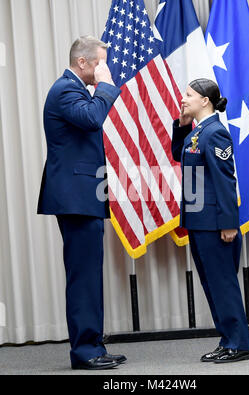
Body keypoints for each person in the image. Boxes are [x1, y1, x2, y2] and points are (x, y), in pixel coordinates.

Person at [37, 36, 126, 370]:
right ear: (84, 62)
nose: (106, 68)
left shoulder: (74, 90)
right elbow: (92, 119)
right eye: (101, 62)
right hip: (75, 198)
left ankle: (94, 346)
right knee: (83, 277)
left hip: (84, 197)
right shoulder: (65, 90)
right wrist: (105, 86)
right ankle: (85, 352)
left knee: (89, 275)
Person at [172, 78, 249, 363]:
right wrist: (182, 124)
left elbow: (225, 181)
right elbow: (177, 155)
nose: (183, 98)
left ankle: (239, 344)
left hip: (215, 224)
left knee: (223, 284)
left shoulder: (215, 133)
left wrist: (229, 223)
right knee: (211, 284)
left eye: (188, 95)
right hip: (198, 222)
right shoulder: (197, 132)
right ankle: (227, 339)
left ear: (205, 100)